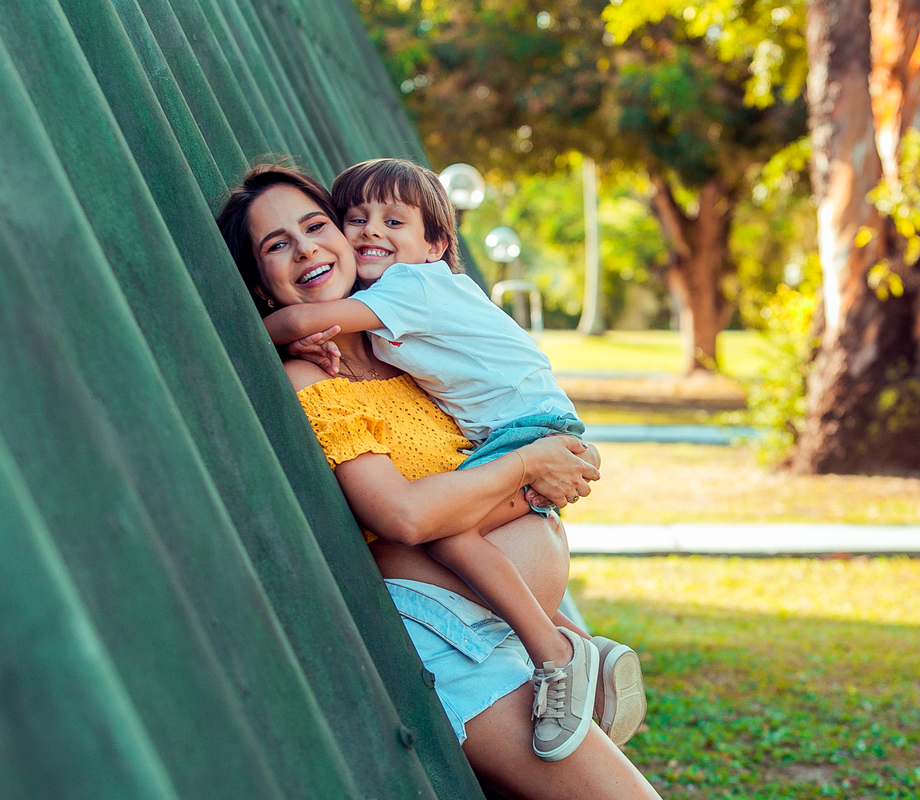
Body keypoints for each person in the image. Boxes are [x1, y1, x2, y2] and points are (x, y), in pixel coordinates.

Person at [217, 163, 659, 797]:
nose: (307, 247)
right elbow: (405, 517)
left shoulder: (408, 356)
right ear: (262, 285)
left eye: (316, 225)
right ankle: (563, 647)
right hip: (450, 642)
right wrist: (530, 470)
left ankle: (568, 642)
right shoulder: (313, 378)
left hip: (498, 629)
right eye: (277, 245)